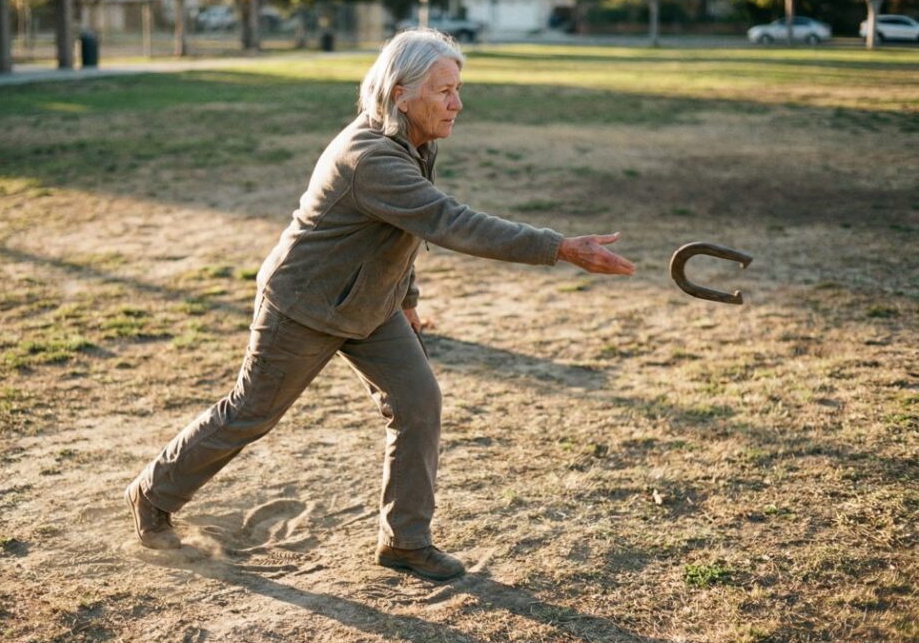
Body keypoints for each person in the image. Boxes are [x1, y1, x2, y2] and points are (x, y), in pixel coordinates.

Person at [126, 29, 635, 582]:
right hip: (306, 304)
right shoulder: (368, 156)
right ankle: (152, 496)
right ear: (400, 92)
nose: (457, 103)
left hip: (372, 305)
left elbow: (404, 231)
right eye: (444, 90)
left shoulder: (415, 143)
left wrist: (407, 299)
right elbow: (447, 222)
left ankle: (405, 542)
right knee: (252, 412)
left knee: (418, 403)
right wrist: (558, 247)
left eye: (457, 89)